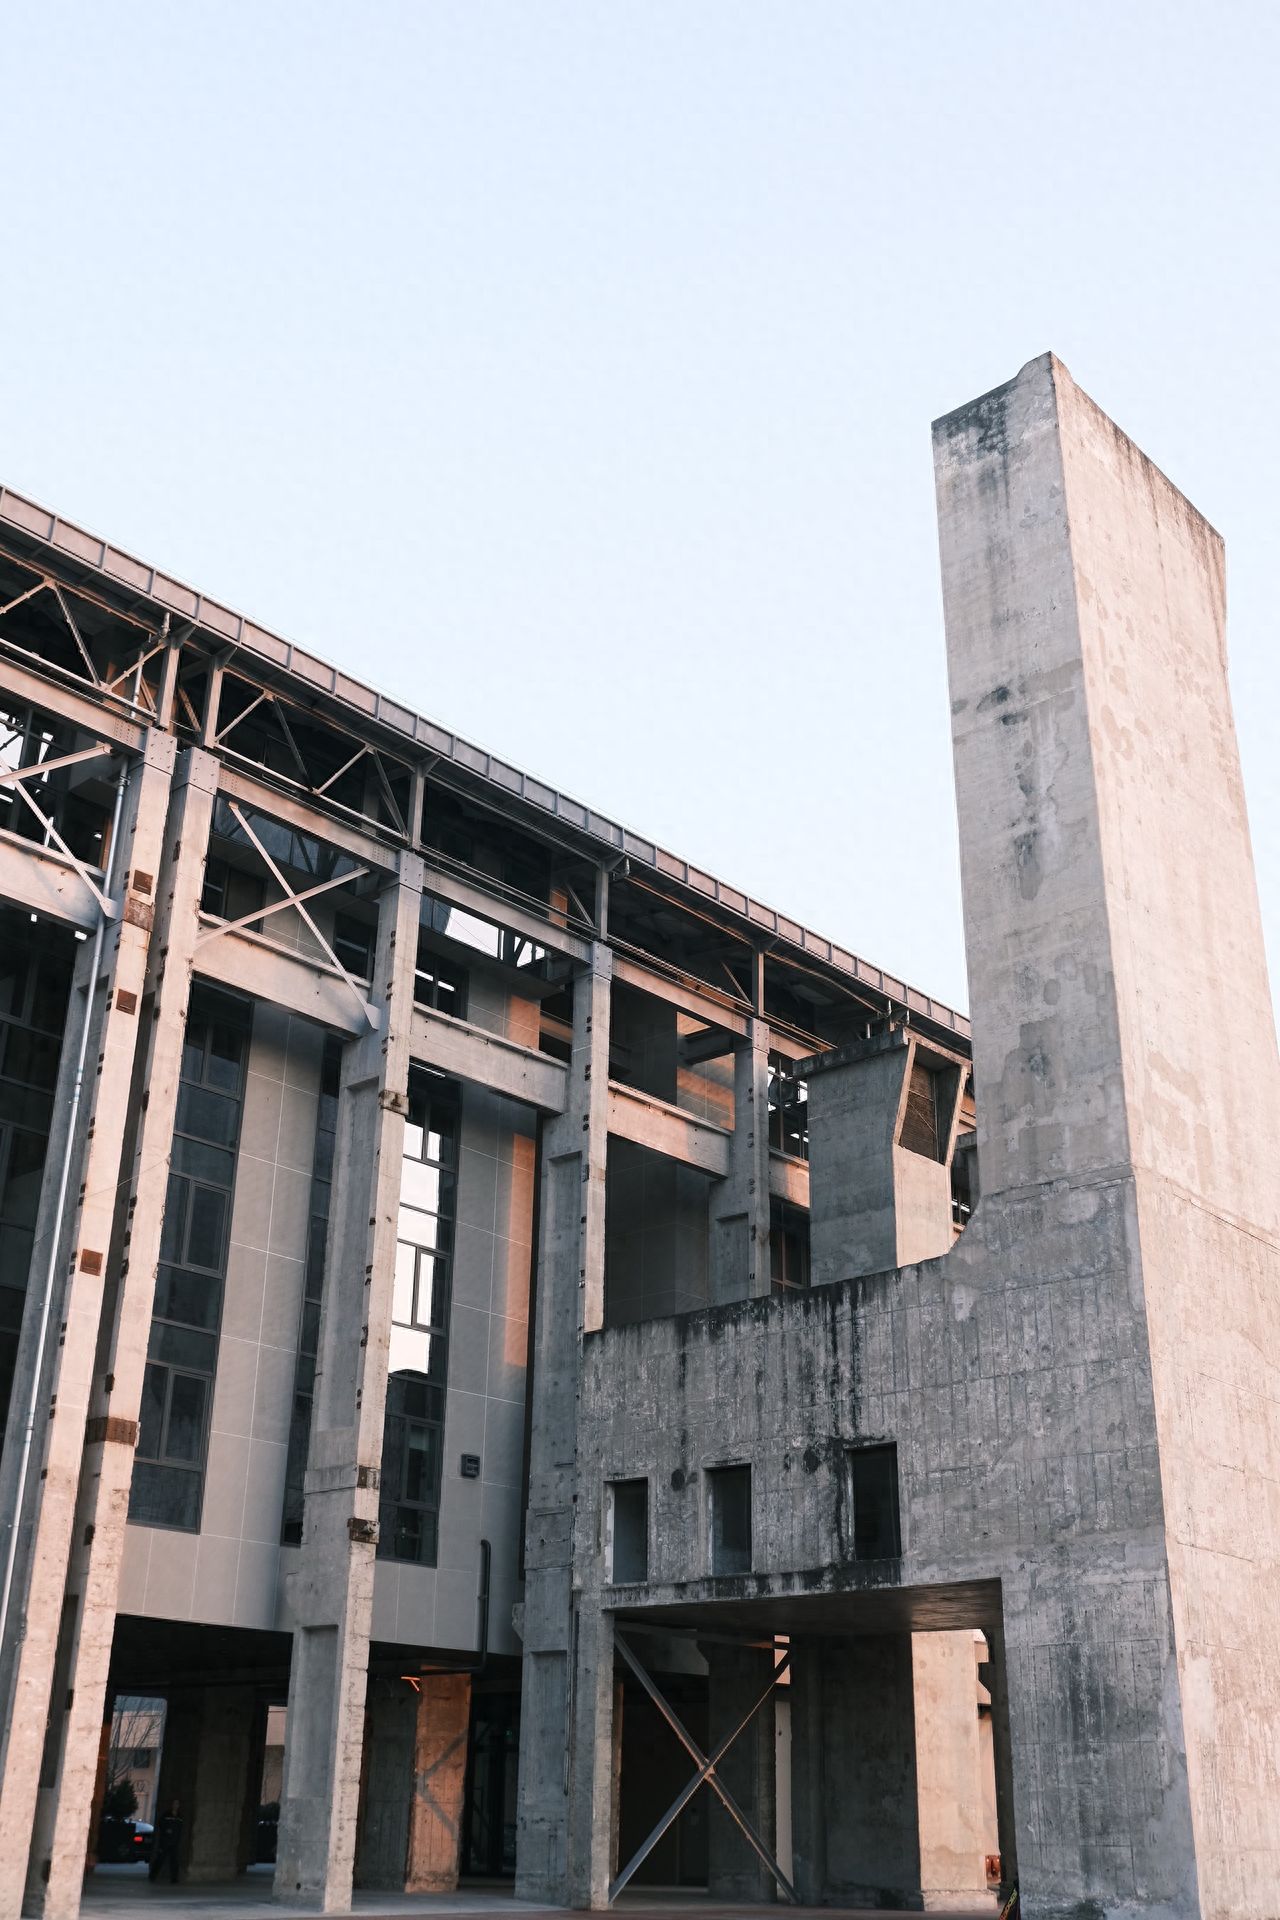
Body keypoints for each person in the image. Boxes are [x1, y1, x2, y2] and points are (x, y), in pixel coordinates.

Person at [148, 1799, 183, 1884]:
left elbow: (180, 1828)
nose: (176, 1805)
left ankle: (174, 1879)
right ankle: (152, 1876)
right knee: (160, 1859)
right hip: (165, 1841)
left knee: (174, 1861)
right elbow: (161, 1824)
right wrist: (166, 1830)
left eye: (177, 1804)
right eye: (174, 1803)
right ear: (172, 1805)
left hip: (174, 1842)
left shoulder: (179, 1816)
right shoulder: (166, 1814)